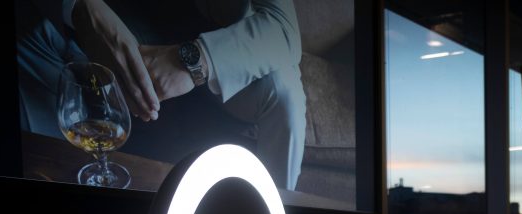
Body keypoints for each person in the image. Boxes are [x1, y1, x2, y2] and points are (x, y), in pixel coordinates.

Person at [15, 0, 306, 190]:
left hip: (224, 43)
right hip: (89, 27)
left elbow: (283, 29)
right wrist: (81, 6)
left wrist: (196, 60)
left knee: (285, 95)